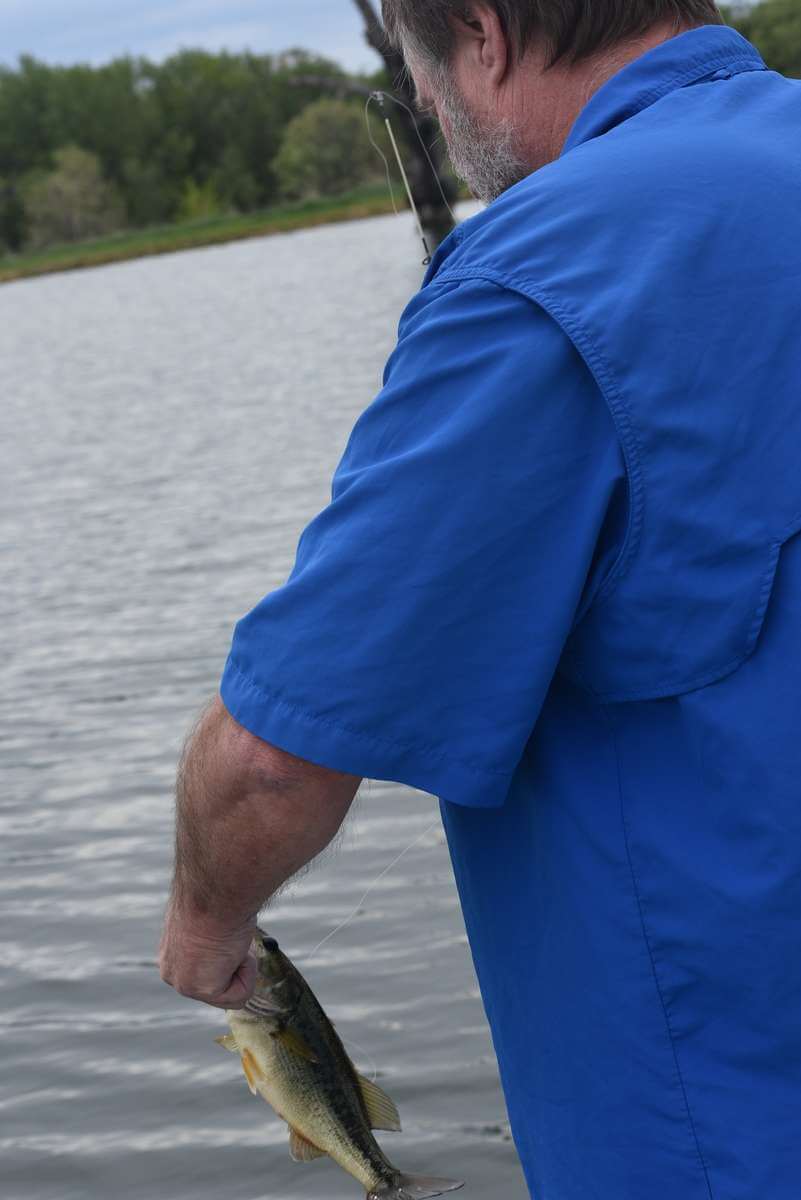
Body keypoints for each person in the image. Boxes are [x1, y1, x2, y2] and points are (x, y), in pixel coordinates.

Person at [160, 3, 801, 1196]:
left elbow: (270, 766)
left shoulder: (542, 274)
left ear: (483, 34)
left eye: (419, 73)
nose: (429, 109)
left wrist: (205, 925)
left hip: (726, 1135)